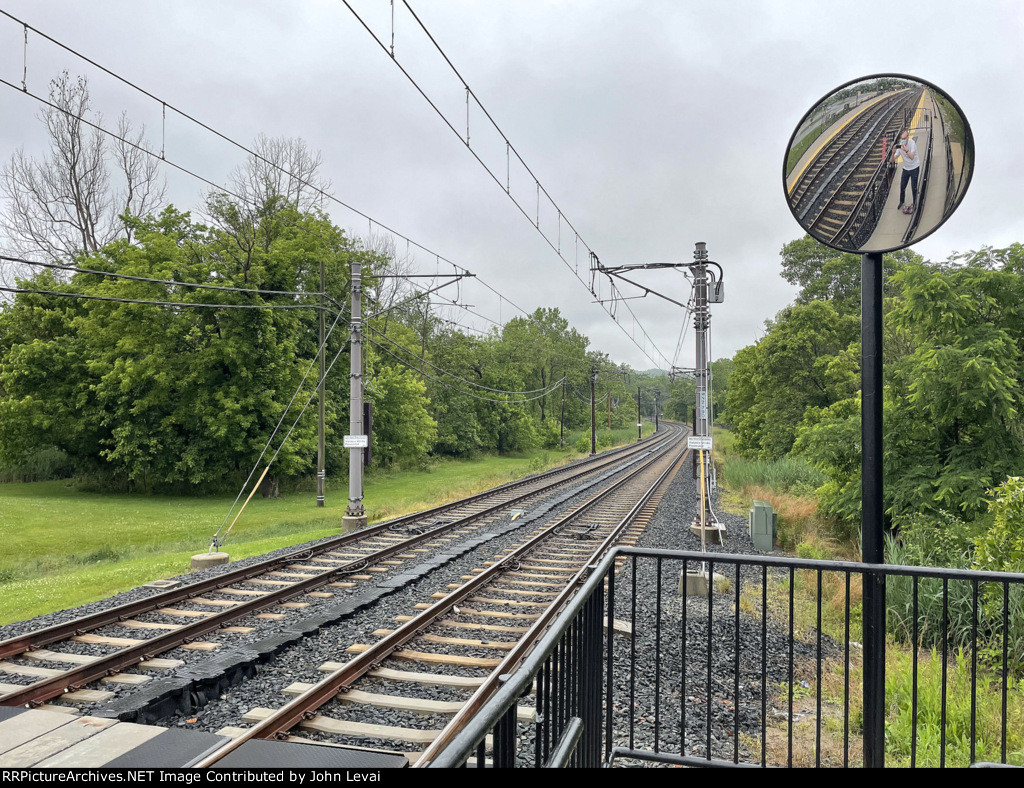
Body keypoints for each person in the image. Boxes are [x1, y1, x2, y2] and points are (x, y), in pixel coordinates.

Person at [892, 130, 920, 212]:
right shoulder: (900, 146)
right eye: (902, 139)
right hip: (906, 168)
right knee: (902, 186)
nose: (903, 140)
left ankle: (915, 203)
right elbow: (892, 160)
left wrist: (906, 150)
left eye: (905, 138)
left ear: (908, 137)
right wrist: (893, 153)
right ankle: (901, 201)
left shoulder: (912, 143)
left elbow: (912, 157)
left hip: (914, 167)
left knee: (914, 187)